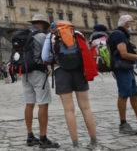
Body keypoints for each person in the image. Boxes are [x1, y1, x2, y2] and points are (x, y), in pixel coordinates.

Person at [42, 21, 99, 150]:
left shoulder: (51, 36)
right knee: (86, 108)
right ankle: (94, 143)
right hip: (79, 71)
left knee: (69, 110)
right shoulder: (77, 33)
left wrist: (56, 60)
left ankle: (75, 145)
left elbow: (44, 56)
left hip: (61, 72)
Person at [22, 14, 59, 149]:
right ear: (43, 24)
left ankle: (30, 135)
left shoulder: (25, 35)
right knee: (43, 103)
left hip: (25, 73)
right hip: (38, 72)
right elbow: (49, 54)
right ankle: (43, 138)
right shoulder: (42, 36)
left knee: (29, 103)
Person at [107, 15, 137, 135]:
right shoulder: (119, 34)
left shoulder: (122, 35)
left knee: (134, 94)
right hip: (121, 68)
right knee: (123, 95)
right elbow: (123, 53)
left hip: (127, 68)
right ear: (127, 23)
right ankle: (123, 124)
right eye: (132, 23)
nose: (133, 26)